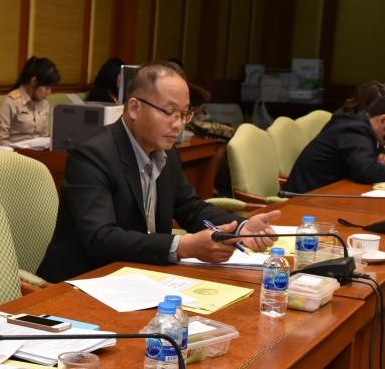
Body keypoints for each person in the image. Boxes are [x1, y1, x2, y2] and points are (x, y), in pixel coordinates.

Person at [37, 61, 279, 283]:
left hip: (139, 275)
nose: (178, 124)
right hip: (83, 282)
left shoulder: (167, 153)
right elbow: (101, 238)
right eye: (168, 111)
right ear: (134, 108)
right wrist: (182, 246)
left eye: (184, 114)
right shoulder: (92, 156)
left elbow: (190, 208)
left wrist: (240, 228)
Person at [284, 92, 385, 194]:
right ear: (383, 120)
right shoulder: (353, 130)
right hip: (304, 199)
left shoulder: (360, 126)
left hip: (327, 193)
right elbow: (365, 171)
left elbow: (363, 165)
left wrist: (378, 162)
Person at [0, 56, 60, 146]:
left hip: (39, 151)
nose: (49, 93)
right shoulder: (10, 102)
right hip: (15, 152)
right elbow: (0, 142)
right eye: (47, 88)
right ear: (33, 81)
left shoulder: (44, 103)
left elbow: (44, 136)